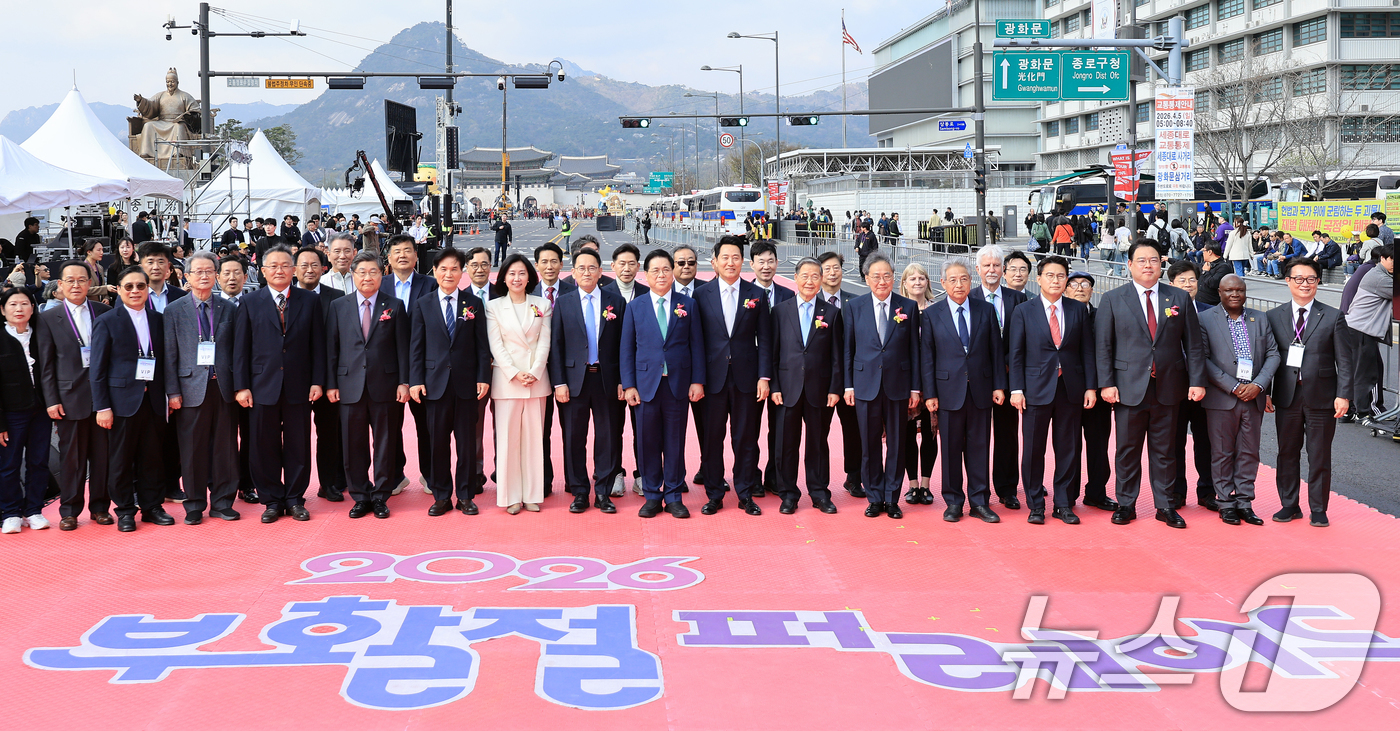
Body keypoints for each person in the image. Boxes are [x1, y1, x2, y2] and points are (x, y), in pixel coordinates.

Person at [1095, 240, 1207, 529]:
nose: (1148, 265)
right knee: (1127, 449)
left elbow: (1193, 345)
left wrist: (1197, 381)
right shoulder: (1113, 299)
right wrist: (1106, 383)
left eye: (1154, 260)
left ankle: (1166, 505)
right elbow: (1104, 347)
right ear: (1129, 264)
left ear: (1162, 264)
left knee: (1166, 450)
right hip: (1128, 386)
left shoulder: (1178, 299)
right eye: (1141, 260)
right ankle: (1125, 504)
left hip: (1169, 387)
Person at [232, 245, 326, 524]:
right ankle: (271, 500)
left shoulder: (309, 301)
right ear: (262, 271)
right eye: (273, 266)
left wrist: (318, 381)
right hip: (261, 386)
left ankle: (295, 498)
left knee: (298, 445)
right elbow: (241, 349)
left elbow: (317, 346)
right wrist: (242, 386)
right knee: (263, 445)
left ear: (294, 270)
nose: (279, 270)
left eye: (285, 265)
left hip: (299, 384)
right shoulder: (250, 302)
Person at [1008, 255, 1096, 525]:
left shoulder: (1078, 310)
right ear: (1039, 279)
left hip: (1070, 388)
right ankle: (1035, 504)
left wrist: (1090, 387)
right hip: (1034, 389)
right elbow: (1016, 354)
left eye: (1061, 276)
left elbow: (1087, 352)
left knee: (1068, 448)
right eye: (1050, 276)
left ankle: (1063, 503)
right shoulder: (1024, 310)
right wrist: (1017, 389)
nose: (1055, 280)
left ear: (1066, 280)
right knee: (1033, 450)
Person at [1266, 258, 1352, 527]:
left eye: (1311, 279)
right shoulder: (1274, 316)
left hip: (1323, 397)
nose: (1305, 284)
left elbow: (1345, 360)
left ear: (1318, 282)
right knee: (1287, 452)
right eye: (1299, 279)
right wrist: (1265, 392)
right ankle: (1289, 505)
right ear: (1288, 281)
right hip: (1287, 396)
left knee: (1319, 454)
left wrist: (1344, 394)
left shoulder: (1333, 315)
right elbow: (1268, 356)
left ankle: (1318, 508)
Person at [620, 249, 705, 519]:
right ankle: (653, 495)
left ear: (673, 273)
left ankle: (674, 494)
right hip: (645, 385)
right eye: (655, 270)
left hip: (678, 385)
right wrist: (629, 385)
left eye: (666, 269)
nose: (661, 275)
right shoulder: (635, 306)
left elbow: (697, 346)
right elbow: (627, 350)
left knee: (675, 441)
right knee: (647, 442)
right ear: (646, 275)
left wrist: (697, 381)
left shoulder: (687, 305)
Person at [692, 236, 772, 516]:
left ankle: (746, 493)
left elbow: (765, 339)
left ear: (743, 262)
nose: (730, 262)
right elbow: (696, 341)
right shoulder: (701, 295)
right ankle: (714, 493)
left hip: (746, 379)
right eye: (725, 257)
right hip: (711, 381)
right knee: (712, 440)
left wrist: (764, 377)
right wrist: (697, 379)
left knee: (746, 439)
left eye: (735, 257)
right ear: (714, 262)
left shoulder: (756, 294)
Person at [327, 252, 410, 520]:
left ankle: (381, 495)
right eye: (361, 272)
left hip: (385, 385)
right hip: (349, 384)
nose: (367, 277)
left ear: (381, 274)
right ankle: (360, 495)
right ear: (353, 275)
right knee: (354, 444)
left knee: (386, 442)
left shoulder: (394, 305)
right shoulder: (339, 306)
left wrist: (404, 382)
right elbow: (332, 349)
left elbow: (403, 348)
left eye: (373, 272)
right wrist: (331, 383)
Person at [410, 248, 492, 516]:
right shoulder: (423, 303)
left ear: (462, 272)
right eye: (443, 269)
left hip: (467, 384)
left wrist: (483, 378)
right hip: (434, 386)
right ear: (434, 271)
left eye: (454, 269)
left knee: (467, 443)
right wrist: (415, 380)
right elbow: (416, 348)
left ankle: (466, 495)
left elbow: (482, 346)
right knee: (437, 444)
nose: (449, 274)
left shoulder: (473, 304)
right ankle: (442, 495)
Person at [91, 267, 173, 532]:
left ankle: (152, 507)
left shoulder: (159, 320)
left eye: (140, 286)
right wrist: (102, 406)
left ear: (148, 289)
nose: (135, 291)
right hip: (120, 402)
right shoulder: (107, 321)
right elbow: (97, 369)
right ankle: (125, 510)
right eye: (129, 287)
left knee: (153, 457)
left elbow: (166, 363)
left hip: (153, 401)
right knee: (121, 460)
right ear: (119, 289)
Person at [922, 257, 1003, 523]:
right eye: (953, 280)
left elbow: (995, 352)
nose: (959, 284)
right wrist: (930, 393)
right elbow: (927, 357)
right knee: (951, 449)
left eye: (964, 279)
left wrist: (999, 386)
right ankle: (953, 501)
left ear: (971, 281)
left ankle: (979, 502)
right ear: (943, 283)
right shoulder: (933, 314)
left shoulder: (985, 310)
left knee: (980, 448)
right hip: (947, 392)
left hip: (980, 389)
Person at [162, 251, 240, 524]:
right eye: (199, 271)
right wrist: (172, 392)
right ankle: (194, 504)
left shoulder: (229, 308)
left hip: (223, 387)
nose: (204, 276)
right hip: (189, 388)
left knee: (226, 448)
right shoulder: (173, 310)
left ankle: (222, 502)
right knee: (192, 449)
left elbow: (237, 352)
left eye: (209, 271)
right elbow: (169, 355)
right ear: (187, 276)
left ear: (216, 276)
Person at [1198, 274, 1280, 527]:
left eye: (1240, 290)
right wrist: (1234, 386)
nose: (1235, 294)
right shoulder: (1204, 319)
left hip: (1254, 397)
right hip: (1222, 398)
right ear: (1220, 292)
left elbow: (1273, 354)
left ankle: (1245, 502)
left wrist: (1259, 385)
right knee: (1222, 453)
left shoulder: (1260, 317)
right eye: (1229, 290)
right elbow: (1203, 359)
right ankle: (1225, 502)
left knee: (1249, 452)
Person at [35, 262, 112, 530]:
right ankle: (69, 510)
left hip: (102, 399)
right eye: (70, 280)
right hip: (68, 399)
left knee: (103, 458)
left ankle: (101, 508)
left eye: (82, 280)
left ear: (90, 283)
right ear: (60, 285)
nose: (76, 285)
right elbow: (45, 365)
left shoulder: (103, 312)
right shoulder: (47, 318)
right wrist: (51, 400)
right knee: (71, 459)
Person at [845, 252, 922, 519]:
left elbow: (915, 350)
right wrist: (848, 386)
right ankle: (874, 496)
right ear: (866, 279)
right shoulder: (854, 307)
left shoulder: (907, 307)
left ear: (894, 278)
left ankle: (892, 498)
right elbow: (848, 350)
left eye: (887, 276)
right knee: (869, 446)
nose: (882, 281)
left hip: (898, 386)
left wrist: (915, 388)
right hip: (865, 384)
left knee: (897, 445)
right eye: (876, 276)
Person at [550, 247, 625, 513]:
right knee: (574, 438)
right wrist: (559, 382)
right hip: (573, 382)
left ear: (600, 271)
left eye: (592, 267)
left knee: (607, 437)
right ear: (573, 272)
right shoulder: (564, 302)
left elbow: (623, 346)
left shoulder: (615, 301)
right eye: (581, 268)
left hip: (606, 380)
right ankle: (579, 490)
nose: (586, 272)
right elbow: (556, 345)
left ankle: (603, 492)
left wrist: (623, 381)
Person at [769, 257, 843, 515]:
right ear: (796, 277)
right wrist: (774, 386)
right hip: (786, 389)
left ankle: (820, 492)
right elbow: (773, 354)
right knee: (785, 444)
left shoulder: (832, 313)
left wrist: (835, 388)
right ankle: (788, 493)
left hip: (819, 390)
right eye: (805, 276)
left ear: (821, 279)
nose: (810, 281)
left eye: (815, 276)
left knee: (818, 444)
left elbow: (837, 356)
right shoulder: (779, 311)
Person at [485, 254, 552, 514]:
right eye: (512, 273)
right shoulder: (494, 306)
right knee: (508, 441)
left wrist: (534, 371)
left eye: (522, 273)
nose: (517, 278)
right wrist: (514, 372)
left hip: (536, 381)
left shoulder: (541, 304)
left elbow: (544, 342)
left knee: (535, 440)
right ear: (503, 277)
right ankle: (510, 496)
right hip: (507, 381)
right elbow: (496, 345)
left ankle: (533, 493)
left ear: (530, 277)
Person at [969, 245, 1027, 509]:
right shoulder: (967, 297)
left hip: (1008, 378)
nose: (991, 270)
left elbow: (1023, 341)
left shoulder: (1018, 300)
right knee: (977, 437)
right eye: (986, 265)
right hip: (977, 380)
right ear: (977, 269)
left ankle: (1007, 489)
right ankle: (977, 491)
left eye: (996, 266)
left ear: (1002, 270)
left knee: (1007, 436)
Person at [380, 235, 437, 494]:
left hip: (423, 368)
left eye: (407, 251)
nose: (402, 255)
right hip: (387, 369)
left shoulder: (432, 285)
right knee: (389, 428)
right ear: (389, 258)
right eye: (396, 252)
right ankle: (395, 475)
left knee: (427, 426)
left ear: (416, 256)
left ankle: (429, 474)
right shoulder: (378, 285)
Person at [1162, 260, 1218, 511]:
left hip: (1206, 387)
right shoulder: (1165, 311)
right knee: (1174, 442)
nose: (1187, 285)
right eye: (1181, 280)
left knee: (1207, 441)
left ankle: (1208, 491)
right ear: (1171, 284)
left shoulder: (1211, 311)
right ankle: (1176, 492)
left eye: (1192, 280)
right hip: (1173, 387)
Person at [295, 247, 349, 503]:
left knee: (329, 435)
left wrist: (333, 380)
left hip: (329, 379)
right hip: (294, 380)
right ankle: (296, 489)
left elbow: (341, 342)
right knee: (297, 436)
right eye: (303, 265)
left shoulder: (337, 298)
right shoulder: (286, 297)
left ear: (323, 268)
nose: (309, 269)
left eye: (314, 265)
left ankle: (329, 483)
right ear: (295, 269)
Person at [0, 289, 52, 534]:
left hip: (40, 410)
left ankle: (33, 510)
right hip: (10, 413)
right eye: (12, 304)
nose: (19, 308)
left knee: (39, 461)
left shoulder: (42, 334)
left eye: (24, 303)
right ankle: (11, 512)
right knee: (9, 464)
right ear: (3, 310)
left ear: (33, 308)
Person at [1064, 271, 1117, 512]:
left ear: (1092, 291)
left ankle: (1096, 492)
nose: (1079, 288)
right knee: (1069, 445)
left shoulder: (1103, 316)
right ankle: (1068, 494)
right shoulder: (1059, 316)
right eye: (1073, 284)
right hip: (1068, 393)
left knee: (1098, 445)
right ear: (1065, 290)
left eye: (1085, 284)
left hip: (1099, 392)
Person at [817, 251, 863, 498]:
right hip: (821, 380)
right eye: (827, 268)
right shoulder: (809, 301)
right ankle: (820, 482)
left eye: (836, 268)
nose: (832, 273)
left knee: (854, 430)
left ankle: (854, 477)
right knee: (819, 431)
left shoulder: (855, 302)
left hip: (851, 380)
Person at [603, 244, 644, 496]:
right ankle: (615, 473)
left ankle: (643, 474)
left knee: (642, 429)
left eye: (632, 264)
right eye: (622, 263)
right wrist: (619, 378)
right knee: (612, 428)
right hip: (610, 377)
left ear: (638, 267)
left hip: (642, 376)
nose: (627, 268)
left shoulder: (647, 293)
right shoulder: (602, 294)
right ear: (613, 266)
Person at [898, 263, 938, 506]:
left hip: (932, 382)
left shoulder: (935, 311)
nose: (917, 282)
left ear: (928, 283)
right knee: (907, 435)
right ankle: (912, 485)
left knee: (931, 436)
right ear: (904, 283)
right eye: (912, 278)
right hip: (906, 383)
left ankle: (926, 484)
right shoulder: (898, 310)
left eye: (921, 278)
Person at [1344, 244, 1394, 424]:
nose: (1394, 263)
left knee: (1360, 371)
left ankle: (1350, 410)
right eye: (1391, 259)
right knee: (1368, 373)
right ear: (1382, 258)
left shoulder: (1380, 274)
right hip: (1360, 330)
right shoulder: (1380, 278)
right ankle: (1365, 412)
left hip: (1356, 329)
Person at [1197, 241, 1229, 306]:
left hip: (1212, 305)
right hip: (1200, 303)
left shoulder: (1224, 267)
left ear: (1210, 252)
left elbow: (1213, 283)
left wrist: (1205, 272)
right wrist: (1171, 260)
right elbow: (1190, 265)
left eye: (1204, 251)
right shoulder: (1205, 264)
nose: (1203, 253)